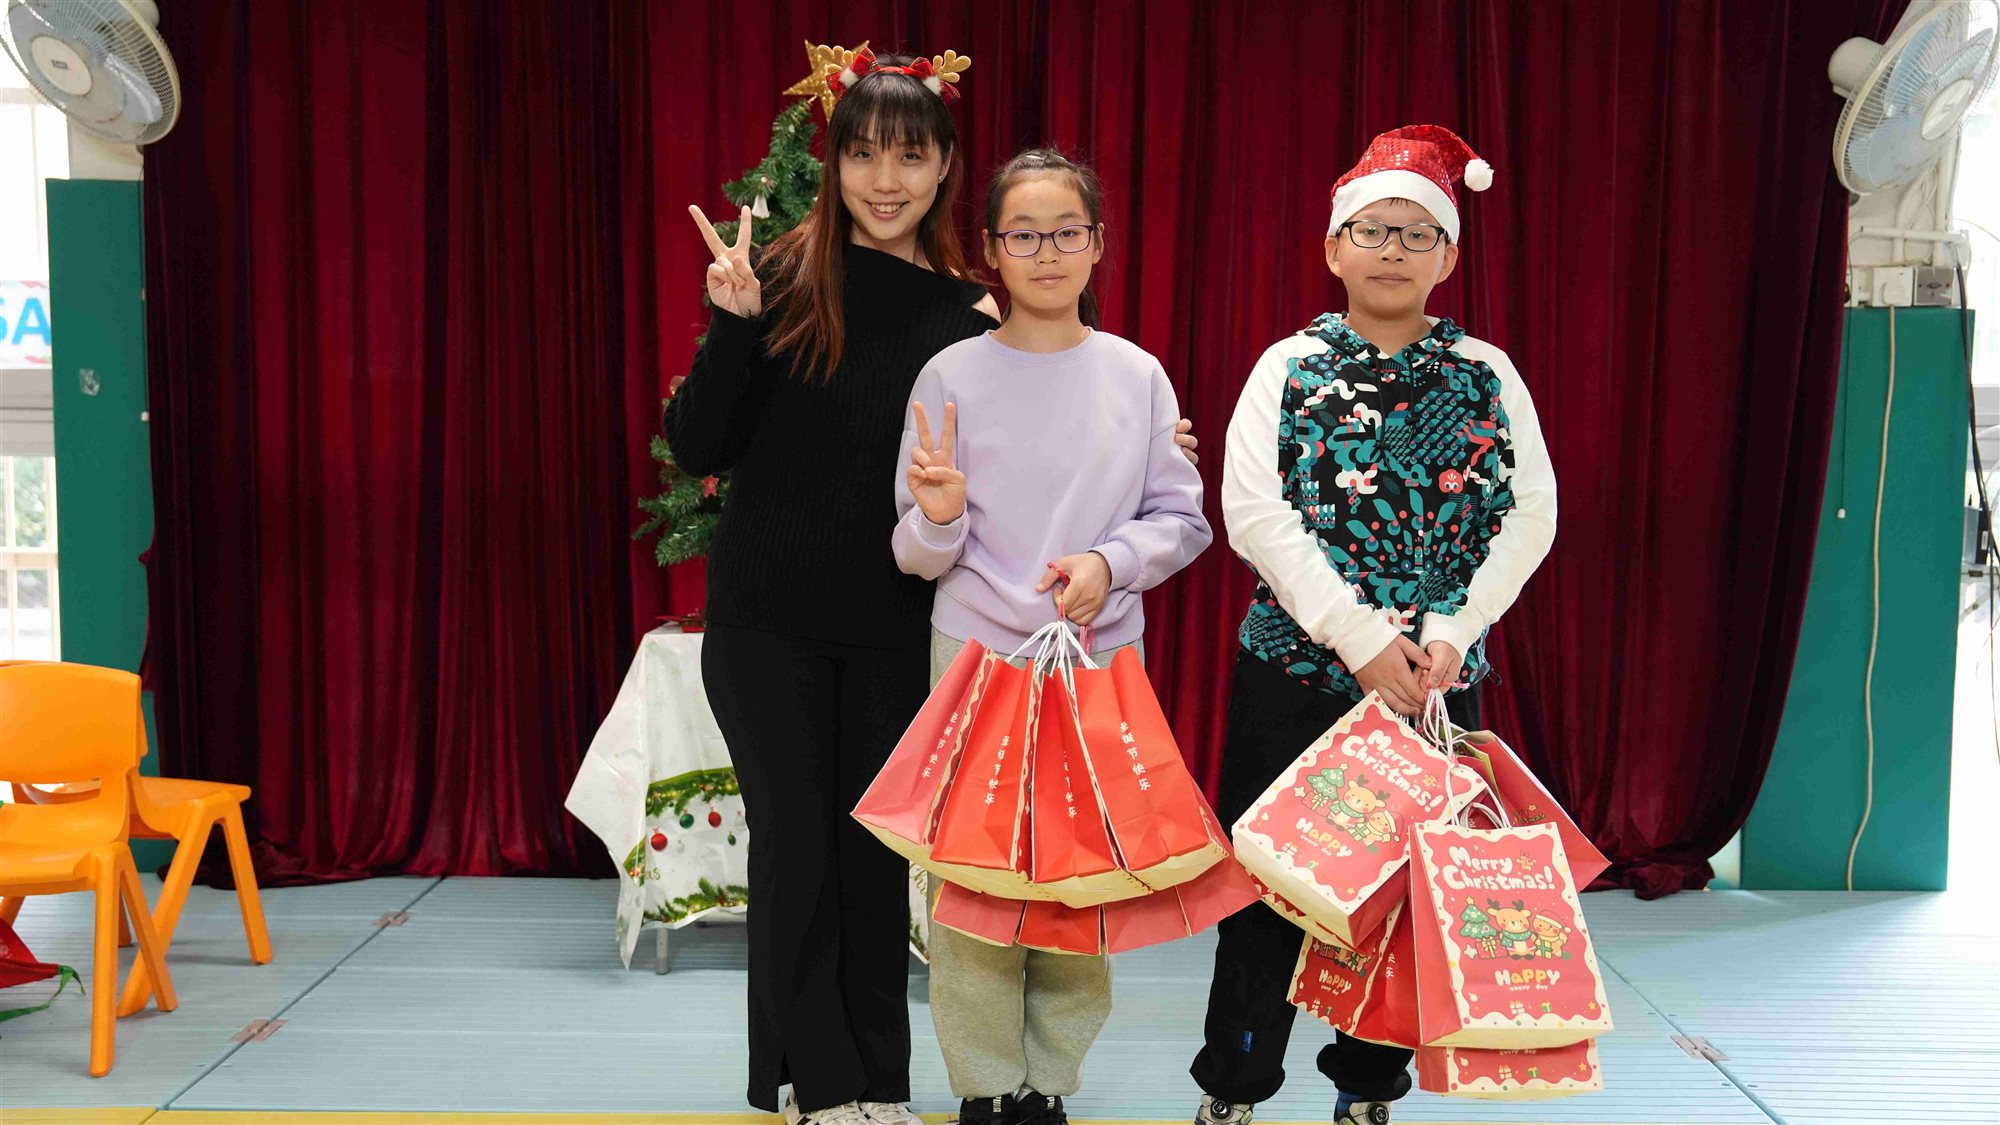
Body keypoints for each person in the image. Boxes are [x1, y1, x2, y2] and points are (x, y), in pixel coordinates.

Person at [1189, 125, 1558, 1125]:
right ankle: (1234, 1087)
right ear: (1332, 248)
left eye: (1416, 233)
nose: (1392, 250)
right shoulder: (1289, 366)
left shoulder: (1485, 372)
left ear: (1448, 257)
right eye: (1371, 230)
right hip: (1294, 674)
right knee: (1269, 891)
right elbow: (1252, 511)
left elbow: (1528, 514)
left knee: (1403, 896)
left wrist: (1451, 632)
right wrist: (1354, 638)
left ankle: (1367, 1089)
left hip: (1431, 682)